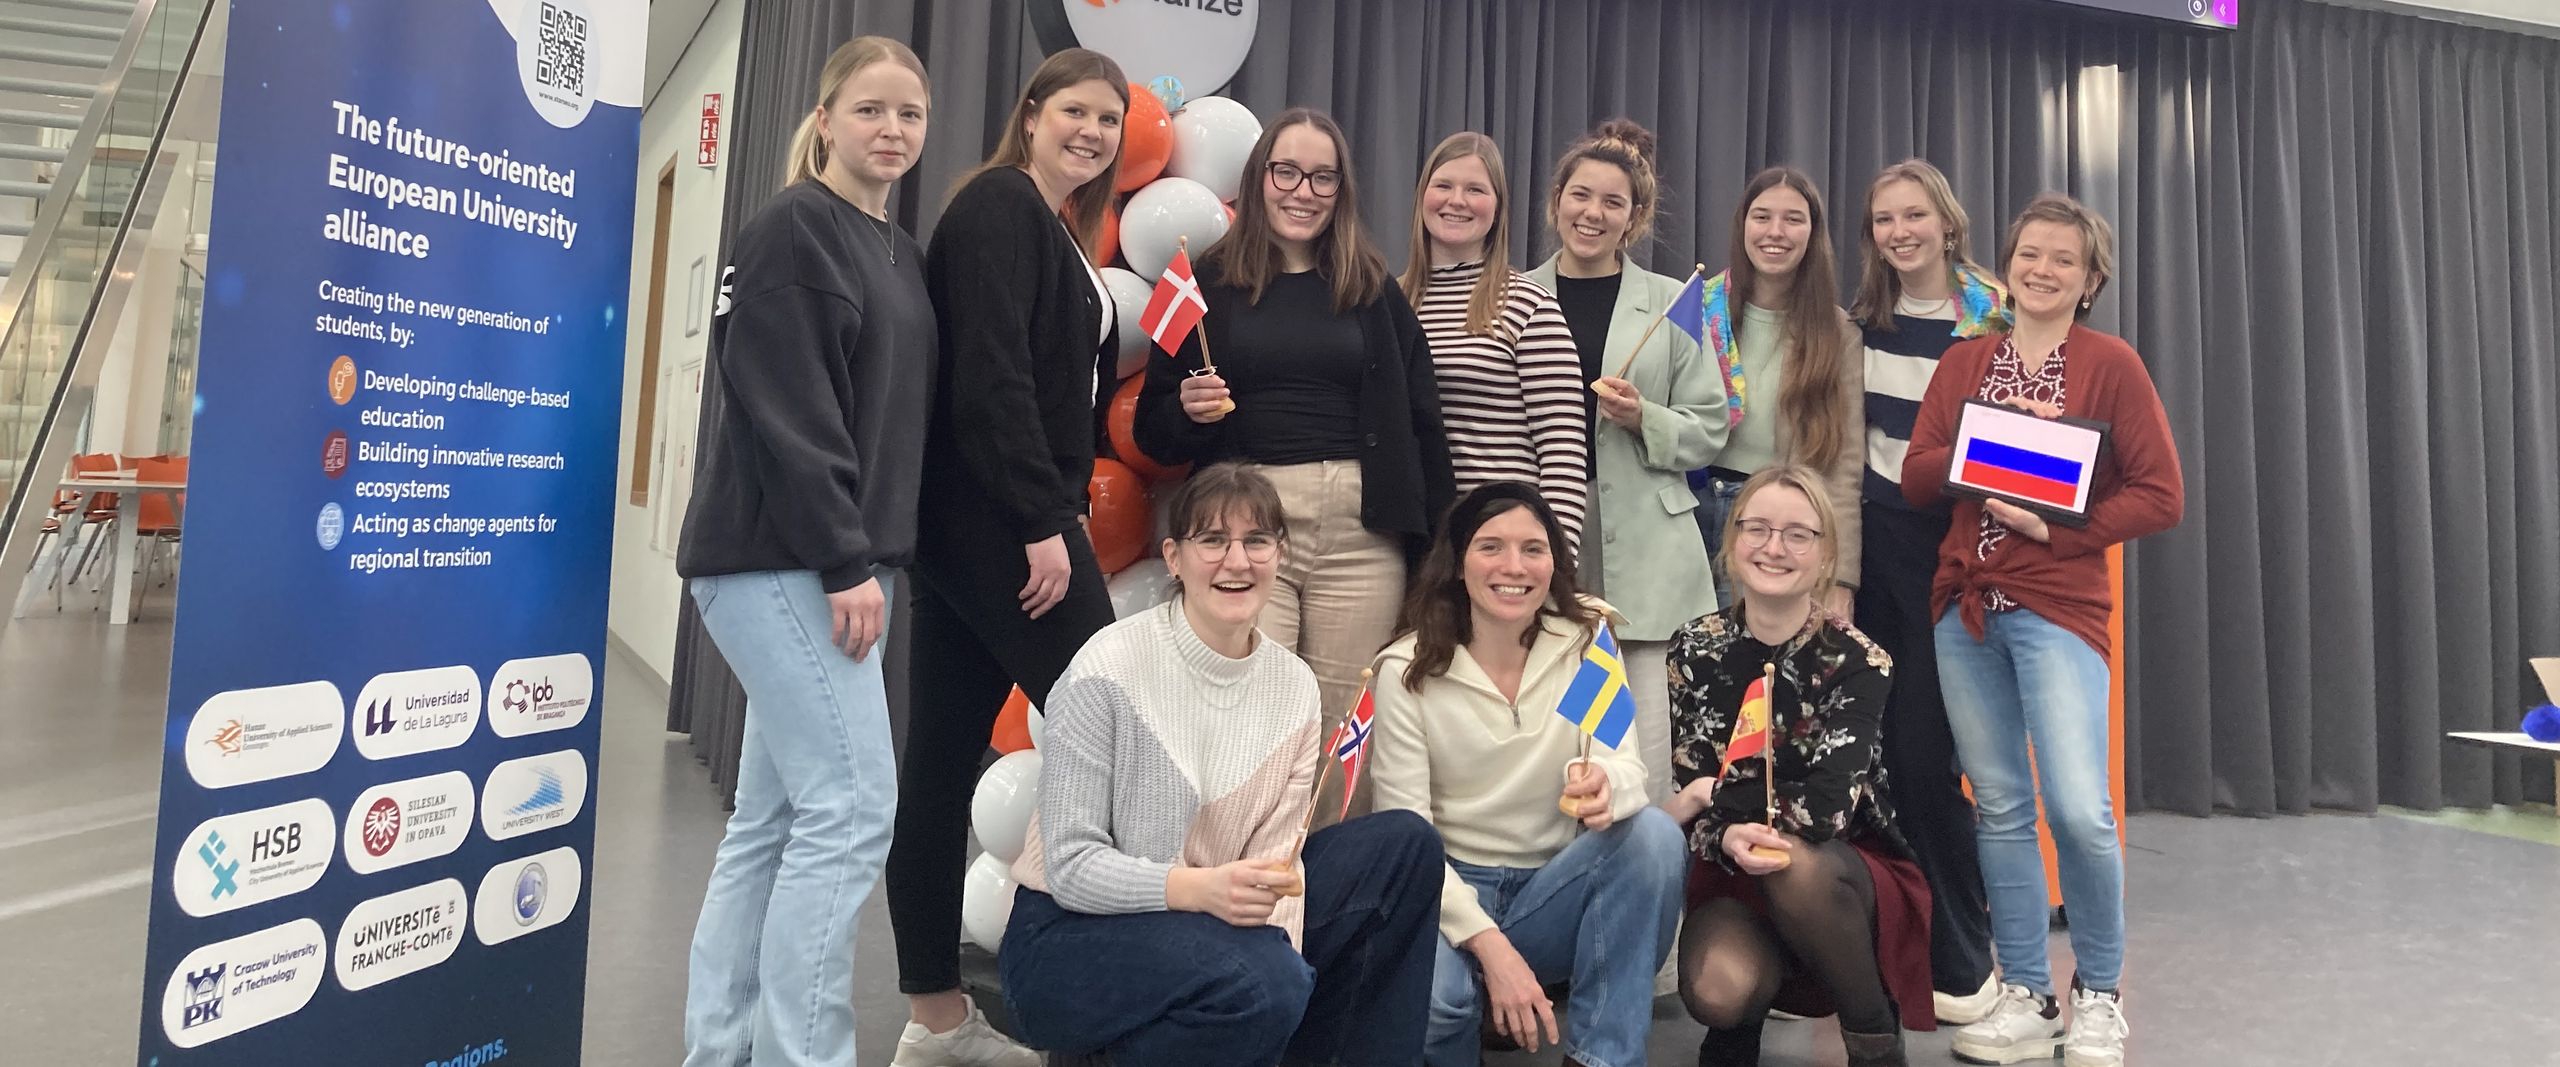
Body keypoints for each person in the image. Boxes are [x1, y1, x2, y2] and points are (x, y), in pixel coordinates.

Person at [672, 36, 933, 1067]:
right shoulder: (791, 230)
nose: (891, 131)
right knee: (854, 805)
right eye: (870, 110)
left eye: (909, 114)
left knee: (774, 822)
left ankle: (722, 1047)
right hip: (782, 561)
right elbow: (790, 411)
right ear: (824, 120)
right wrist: (842, 558)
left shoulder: (892, 248)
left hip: (830, 559)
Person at [1000, 464, 1445, 1067]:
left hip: (1212, 915)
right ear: (1174, 558)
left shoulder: (1293, 685)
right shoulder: (1106, 667)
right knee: (1260, 984)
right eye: (1212, 541)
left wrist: (1277, 954)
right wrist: (1203, 895)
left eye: (1256, 541)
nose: (1237, 561)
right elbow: (1074, 869)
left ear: (1280, 555)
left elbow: (1276, 864)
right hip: (1072, 932)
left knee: (1404, 845)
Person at [1902, 194, 2184, 1067]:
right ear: (2007, 264)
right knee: (2002, 809)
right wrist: (1990, 464)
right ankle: (2025, 992)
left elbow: (2160, 492)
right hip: (1965, 608)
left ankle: (2098, 994)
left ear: (2090, 278)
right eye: (2029, 254)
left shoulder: (2112, 364)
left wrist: (2058, 527)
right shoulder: (1966, 362)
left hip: (2061, 610)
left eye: (2063, 259)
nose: (2042, 269)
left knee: (2079, 807)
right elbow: (1916, 474)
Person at [887, 47, 1128, 1067]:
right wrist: (1044, 520)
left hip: (977, 528)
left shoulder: (1055, 225)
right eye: (1074, 110)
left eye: (1110, 120)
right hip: (999, 523)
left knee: (940, 764)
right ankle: (1137, 1001)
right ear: (1029, 114)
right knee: (1125, 725)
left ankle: (933, 1019)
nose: (1092, 131)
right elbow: (988, 378)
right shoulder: (998, 205)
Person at [1134, 107, 1456, 821]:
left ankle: (1324, 898)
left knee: (1343, 727)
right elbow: (1152, 432)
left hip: (1361, 536)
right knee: (1245, 709)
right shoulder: (1201, 281)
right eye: (1286, 171)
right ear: (1258, 179)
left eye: (1322, 176)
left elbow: (1423, 420)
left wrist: (1440, 545)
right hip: (1245, 528)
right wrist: (1185, 409)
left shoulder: (1373, 288)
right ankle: (1243, 893)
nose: (1302, 190)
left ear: (1342, 190)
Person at [1369, 482, 1688, 1067]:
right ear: (1457, 561)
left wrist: (1605, 790)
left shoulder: (1587, 642)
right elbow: (1405, 841)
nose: (1513, 567)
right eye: (1490, 547)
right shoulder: (1404, 671)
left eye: (1533, 549)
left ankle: (1602, 1058)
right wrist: (1492, 949)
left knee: (1653, 835)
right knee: (1444, 1006)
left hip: (1551, 887)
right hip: (1446, 891)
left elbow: (1627, 767)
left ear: (1553, 562)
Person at [1665, 466, 1937, 1067]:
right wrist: (1724, 830)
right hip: (1733, 864)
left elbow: (1825, 811)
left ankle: (1873, 1038)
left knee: (1793, 862)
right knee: (1717, 989)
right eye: (1756, 528)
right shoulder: (1692, 648)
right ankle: (1737, 1029)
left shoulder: (1860, 659)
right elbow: (1691, 786)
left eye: (1797, 534)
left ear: (1823, 554)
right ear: (1732, 541)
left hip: (1842, 871)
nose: (1773, 547)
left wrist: (1718, 807)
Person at [1523, 118, 1729, 806]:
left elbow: (1711, 429)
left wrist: (1646, 418)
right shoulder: (1514, 296)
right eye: (1581, 195)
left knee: (1644, 757)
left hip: (1651, 558)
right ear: (1556, 199)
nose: (1593, 213)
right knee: (1549, 742)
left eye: (1613, 203)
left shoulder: (1674, 302)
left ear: (1634, 217)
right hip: (1544, 542)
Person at [1845, 158, 2008, 1024]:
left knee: (1931, 756)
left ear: (1948, 221)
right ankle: (1888, 946)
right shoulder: (1860, 324)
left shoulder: (1995, 316)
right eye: (1883, 219)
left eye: (1914, 215)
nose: (1900, 231)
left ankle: (1968, 951)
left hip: (1971, 549)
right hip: (1879, 556)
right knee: (1879, 760)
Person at [1398, 132, 1590, 544]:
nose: (1457, 201)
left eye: (1475, 190)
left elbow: (1563, 458)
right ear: (1422, 196)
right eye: (1444, 186)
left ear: (1498, 207)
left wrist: (1555, 564)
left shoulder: (1529, 306)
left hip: (1501, 541)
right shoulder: (1389, 304)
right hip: (1414, 544)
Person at [1691, 167, 1865, 616]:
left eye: (1793, 219)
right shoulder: (1698, 308)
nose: (1775, 232)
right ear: (1743, 225)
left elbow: (1844, 466)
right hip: (1690, 513)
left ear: (1813, 233)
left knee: (1761, 673)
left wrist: (1840, 577)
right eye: (1762, 216)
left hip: (1777, 527)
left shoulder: (1837, 332)